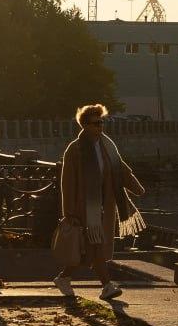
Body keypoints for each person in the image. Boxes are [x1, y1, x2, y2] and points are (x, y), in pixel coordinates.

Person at [54, 103, 147, 300]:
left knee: (89, 249)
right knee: (95, 247)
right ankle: (107, 286)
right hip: (84, 209)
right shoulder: (75, 149)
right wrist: (69, 213)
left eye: (102, 122)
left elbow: (121, 170)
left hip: (104, 206)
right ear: (85, 125)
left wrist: (137, 188)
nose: (100, 126)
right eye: (96, 123)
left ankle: (64, 278)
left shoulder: (107, 145)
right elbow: (67, 183)